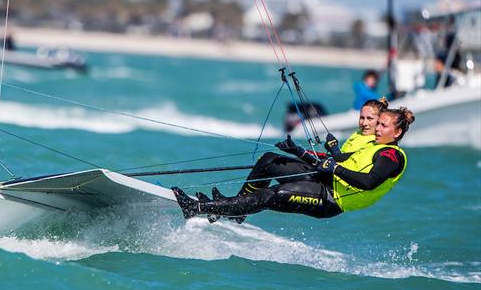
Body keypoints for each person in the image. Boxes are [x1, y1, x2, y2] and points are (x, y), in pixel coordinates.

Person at [173, 107, 414, 220]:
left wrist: (335, 168)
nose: (376, 128)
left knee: (271, 195)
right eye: (377, 123)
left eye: (383, 125)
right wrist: (300, 152)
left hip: (331, 200)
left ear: (398, 131)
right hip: (325, 182)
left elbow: (369, 182)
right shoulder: (372, 144)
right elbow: (338, 161)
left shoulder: (391, 156)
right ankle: (230, 207)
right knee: (270, 161)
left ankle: (198, 209)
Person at [324, 97, 388, 161]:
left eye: (369, 118)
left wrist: (333, 148)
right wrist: (331, 146)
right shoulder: (359, 133)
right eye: (362, 118)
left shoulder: (377, 141)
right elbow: (342, 154)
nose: (364, 123)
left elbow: (342, 158)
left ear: (381, 120)